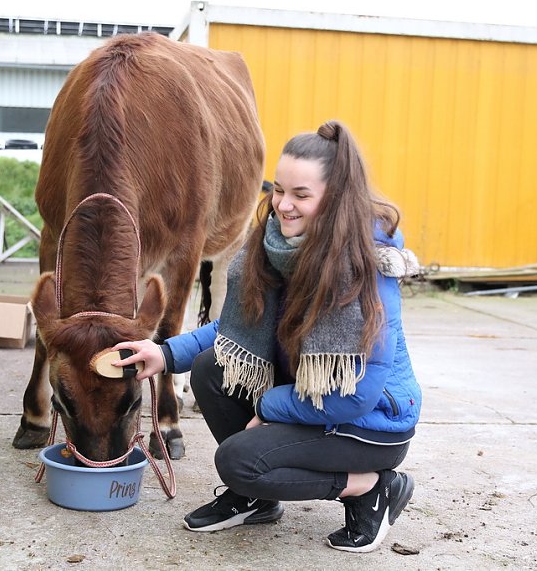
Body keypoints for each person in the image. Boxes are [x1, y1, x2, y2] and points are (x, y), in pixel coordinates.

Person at [112, 120, 422, 553]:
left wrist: (270, 407)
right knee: (211, 370)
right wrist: (164, 353)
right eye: (279, 190)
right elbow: (235, 328)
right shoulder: (277, 246)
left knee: (238, 460)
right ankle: (258, 498)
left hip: (369, 424)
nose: (283, 206)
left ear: (334, 199)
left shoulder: (364, 267)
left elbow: (358, 394)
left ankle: (370, 487)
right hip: (310, 397)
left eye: (301, 195)